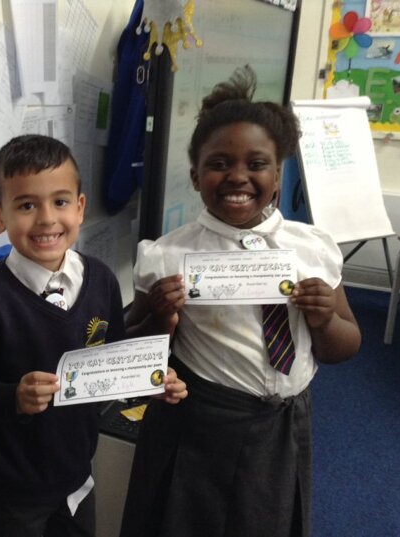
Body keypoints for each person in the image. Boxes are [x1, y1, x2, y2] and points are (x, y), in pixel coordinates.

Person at [119, 66, 362, 537]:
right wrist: (162, 318)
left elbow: (344, 346)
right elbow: (132, 350)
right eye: (219, 163)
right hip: (201, 424)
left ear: (277, 173)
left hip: (284, 423)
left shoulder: (313, 248)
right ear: (195, 175)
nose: (237, 177)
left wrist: (324, 320)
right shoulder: (166, 255)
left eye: (256, 164)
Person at [0, 134, 187, 537]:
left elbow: (110, 361)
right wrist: (14, 397)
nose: (46, 219)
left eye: (60, 202)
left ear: (80, 208)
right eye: (26, 205)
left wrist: (148, 379)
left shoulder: (101, 279)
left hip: (78, 476)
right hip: (13, 491)